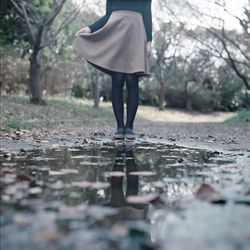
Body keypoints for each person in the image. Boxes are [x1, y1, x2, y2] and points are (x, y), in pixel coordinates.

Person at [73, 0, 153, 140]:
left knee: (131, 79)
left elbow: (147, 13)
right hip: (115, 30)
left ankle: (129, 128)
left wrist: (149, 40)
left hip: (136, 31)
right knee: (118, 79)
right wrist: (90, 28)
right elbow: (108, 15)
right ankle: (120, 127)